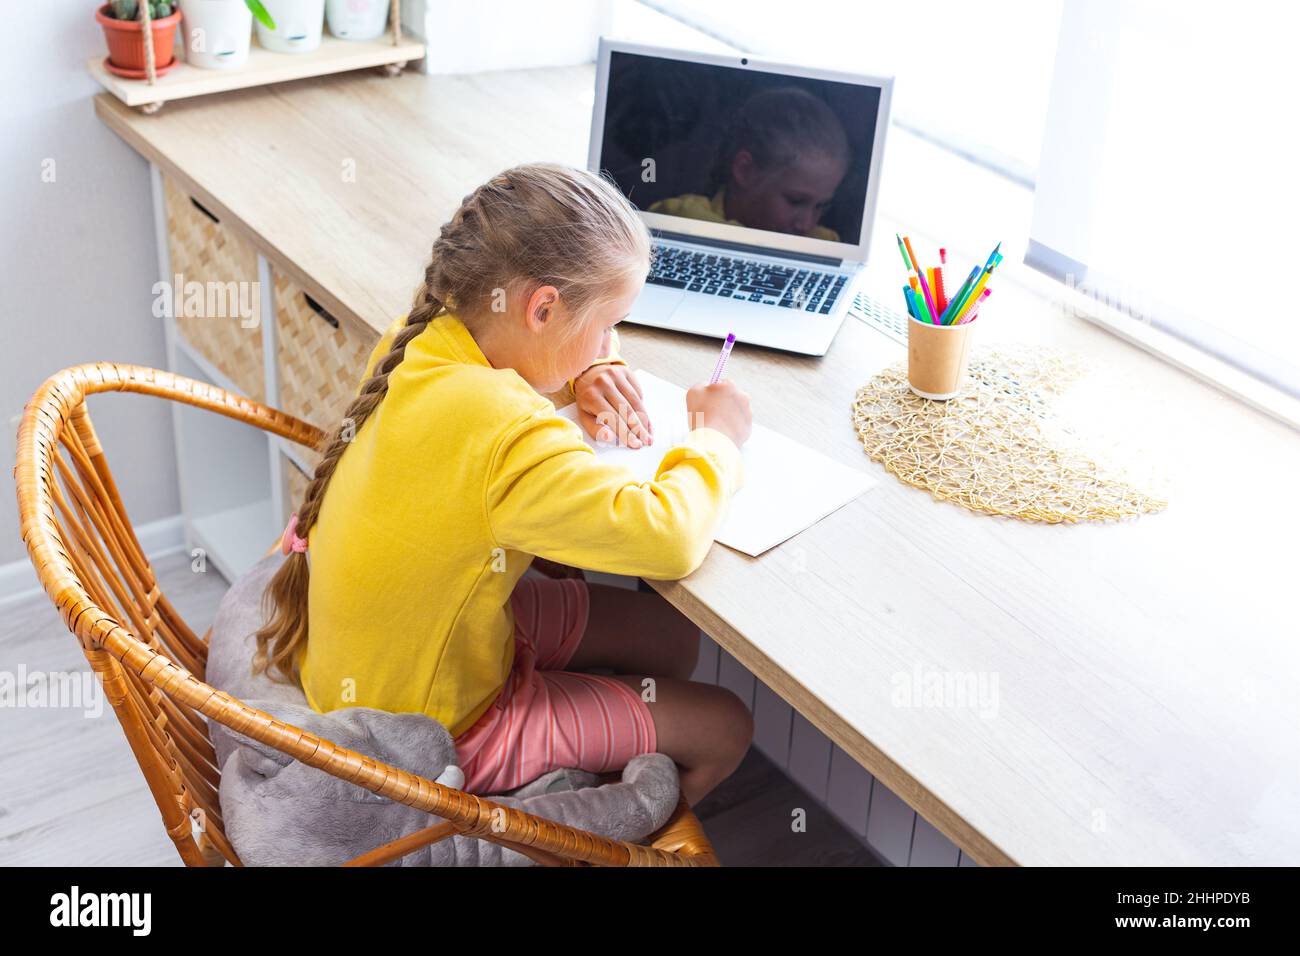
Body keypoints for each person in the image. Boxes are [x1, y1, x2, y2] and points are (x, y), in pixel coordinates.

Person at [252, 162, 754, 807]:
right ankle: (608, 818)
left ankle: (604, 734)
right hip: (432, 722)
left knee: (671, 634)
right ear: (542, 307)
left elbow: (523, 375)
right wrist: (717, 439)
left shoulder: (423, 341)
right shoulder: (505, 430)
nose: (612, 342)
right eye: (608, 325)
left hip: (382, 655)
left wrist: (589, 367)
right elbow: (668, 538)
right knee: (727, 724)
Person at [649, 86, 850, 241]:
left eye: (820, 206)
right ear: (745, 171)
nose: (806, 224)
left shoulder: (822, 240)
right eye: (795, 201)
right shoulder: (682, 218)